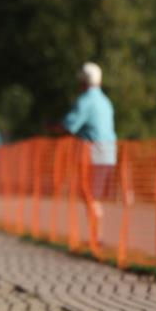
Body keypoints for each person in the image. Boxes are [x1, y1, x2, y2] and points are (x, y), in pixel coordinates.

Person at [61, 62, 117, 224]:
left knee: (89, 194)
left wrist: (53, 127)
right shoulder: (106, 101)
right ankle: (95, 237)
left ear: (84, 81)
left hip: (93, 155)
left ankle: (96, 238)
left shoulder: (85, 100)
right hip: (108, 154)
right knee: (93, 195)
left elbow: (68, 126)